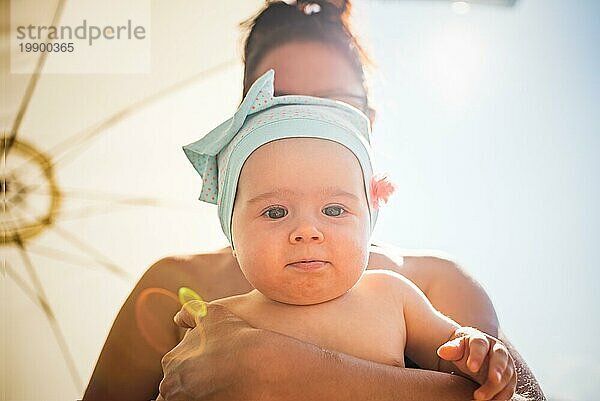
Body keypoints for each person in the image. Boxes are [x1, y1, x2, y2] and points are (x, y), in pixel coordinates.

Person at [83, 1, 545, 400]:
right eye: (279, 104)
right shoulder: (173, 287)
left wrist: (281, 373)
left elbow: (509, 393)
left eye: (332, 103)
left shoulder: (429, 285)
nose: (303, 121)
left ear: (368, 122)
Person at [177, 69, 517, 400]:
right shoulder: (222, 320)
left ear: (369, 222)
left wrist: (477, 351)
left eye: (334, 210)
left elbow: (451, 356)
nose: (307, 232)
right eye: (275, 212)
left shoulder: (393, 296)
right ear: (232, 236)